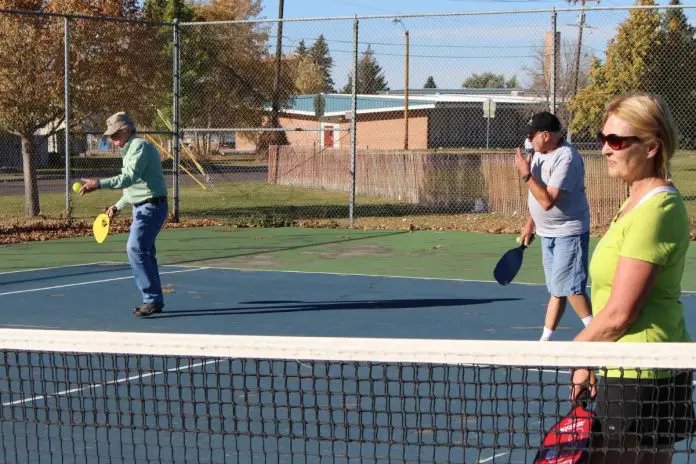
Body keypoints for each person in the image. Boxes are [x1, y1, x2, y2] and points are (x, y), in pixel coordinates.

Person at [569, 93, 694, 463]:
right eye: (602, 138)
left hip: (642, 373)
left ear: (652, 147)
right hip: (630, 366)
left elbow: (621, 312)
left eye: (617, 141)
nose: (606, 149)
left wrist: (577, 352)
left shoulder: (656, 209)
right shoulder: (635, 202)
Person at [80, 112, 169, 318]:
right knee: (144, 252)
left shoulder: (139, 147)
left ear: (127, 130)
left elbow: (128, 178)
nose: (112, 139)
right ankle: (155, 299)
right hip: (143, 206)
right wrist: (117, 206)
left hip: (152, 207)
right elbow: (133, 187)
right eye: (111, 135)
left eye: (115, 134)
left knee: (135, 248)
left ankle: (152, 299)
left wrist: (98, 184)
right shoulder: (129, 150)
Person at [514, 111, 593, 341]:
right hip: (547, 232)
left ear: (546, 135)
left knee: (570, 289)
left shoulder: (566, 158)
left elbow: (547, 201)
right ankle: (545, 341)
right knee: (557, 289)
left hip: (569, 232)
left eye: (531, 135)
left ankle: (598, 334)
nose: (528, 139)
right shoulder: (539, 153)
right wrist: (531, 223)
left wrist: (527, 176)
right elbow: (536, 199)